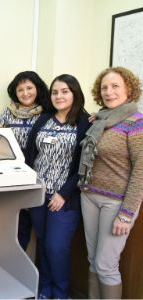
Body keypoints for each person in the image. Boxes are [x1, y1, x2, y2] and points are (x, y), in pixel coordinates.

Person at [78, 67, 143, 299]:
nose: (109, 92)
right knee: (93, 260)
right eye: (104, 87)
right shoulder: (101, 119)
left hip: (116, 203)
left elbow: (141, 171)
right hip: (89, 196)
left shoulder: (136, 123)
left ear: (129, 89)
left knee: (106, 265)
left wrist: (126, 213)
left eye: (115, 86)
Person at [25, 74, 90, 299]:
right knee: (42, 243)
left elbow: (83, 164)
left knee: (56, 247)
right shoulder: (44, 119)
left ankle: (61, 293)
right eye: (55, 92)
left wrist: (63, 193)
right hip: (38, 193)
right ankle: (44, 289)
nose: (59, 96)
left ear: (75, 94)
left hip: (65, 197)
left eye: (65, 91)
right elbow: (31, 155)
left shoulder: (84, 122)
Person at [0, 71, 50, 251]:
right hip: (13, 179)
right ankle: (13, 269)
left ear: (38, 88)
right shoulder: (7, 112)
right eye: (20, 89)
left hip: (39, 177)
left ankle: (39, 277)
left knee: (41, 230)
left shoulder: (48, 112)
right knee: (17, 228)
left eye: (29, 88)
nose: (25, 93)